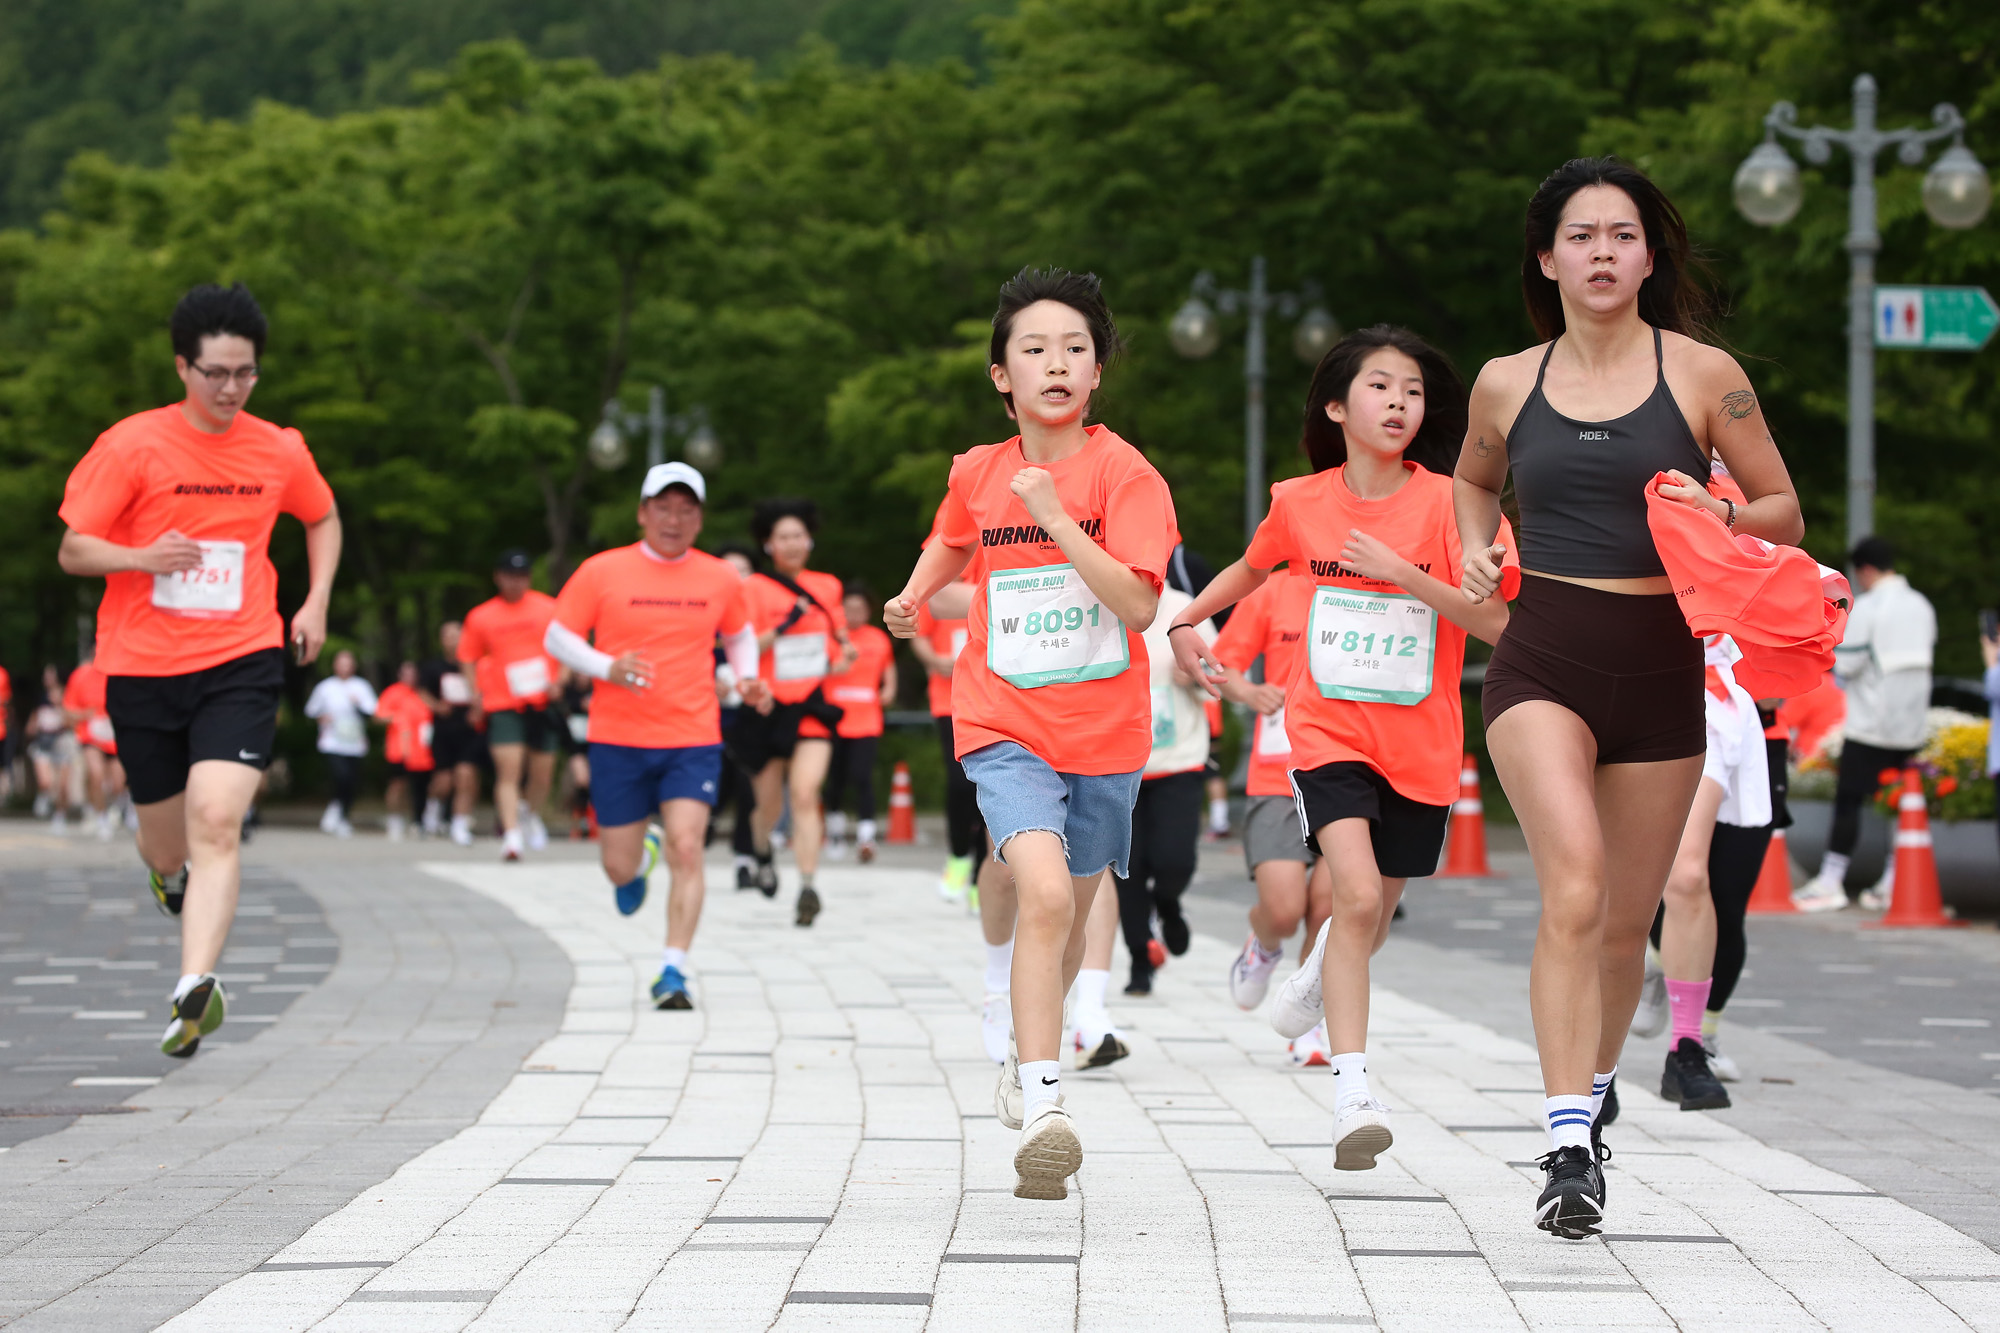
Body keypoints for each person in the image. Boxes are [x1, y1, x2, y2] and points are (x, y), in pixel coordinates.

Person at [1452, 158, 1801, 1237]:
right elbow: (1470, 476)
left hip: (1661, 671)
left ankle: (1590, 1101)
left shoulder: (1703, 374)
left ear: (1649, 255)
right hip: (1541, 657)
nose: (1600, 253)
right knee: (1571, 887)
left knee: (1618, 927)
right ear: (1546, 256)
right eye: (1578, 235)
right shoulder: (1505, 380)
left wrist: (1722, 513)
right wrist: (1474, 550)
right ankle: (1564, 1140)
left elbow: (1784, 508)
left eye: (1620, 234)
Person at [1173, 325, 1513, 1176]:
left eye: (1413, 391)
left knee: (1368, 916)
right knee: (1352, 891)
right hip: (1326, 733)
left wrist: (1408, 575)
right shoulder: (1300, 500)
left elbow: (1497, 623)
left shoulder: (1452, 502)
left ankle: (1311, 977)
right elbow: (1251, 569)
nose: (1400, 403)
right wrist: (1183, 619)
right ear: (1337, 404)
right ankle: (1355, 1090)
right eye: (1380, 387)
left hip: (1423, 742)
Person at [887, 266, 1177, 1201]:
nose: (1056, 362)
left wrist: (1056, 514)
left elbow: (1137, 604)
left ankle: (1025, 1054)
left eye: (1076, 349)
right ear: (1001, 376)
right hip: (1003, 722)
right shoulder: (977, 469)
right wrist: (918, 591)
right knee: (1043, 891)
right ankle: (1048, 1107)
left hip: (1105, 735)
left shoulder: (1125, 474)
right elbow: (952, 534)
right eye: (1034, 348)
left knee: (1065, 918)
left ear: (1097, 374)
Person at [56, 281, 340, 1060]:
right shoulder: (132, 445)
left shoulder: (277, 447)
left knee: (218, 817)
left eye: (244, 373)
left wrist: (313, 603)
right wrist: (141, 557)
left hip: (242, 656)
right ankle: (166, 877)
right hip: (143, 665)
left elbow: (321, 514)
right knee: (166, 845)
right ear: (183, 366)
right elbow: (74, 547)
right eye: (214, 373)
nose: (230, 389)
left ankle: (194, 986)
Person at [544, 462, 765, 1009]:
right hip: (617, 736)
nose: (674, 519)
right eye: (663, 508)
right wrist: (604, 666)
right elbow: (556, 636)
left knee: (687, 847)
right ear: (642, 513)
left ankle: (673, 971)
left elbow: (740, 636)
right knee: (618, 869)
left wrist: (747, 678)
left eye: (686, 510)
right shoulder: (602, 571)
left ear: (699, 519)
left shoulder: (719, 577)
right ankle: (637, 858)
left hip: (692, 734)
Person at [1210, 568, 1340, 1063]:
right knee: (1285, 911)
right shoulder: (1275, 588)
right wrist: (1250, 692)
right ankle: (1262, 945)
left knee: (1328, 906)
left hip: (1347, 767)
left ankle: (1307, 1025)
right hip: (1278, 772)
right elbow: (1224, 666)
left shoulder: (1375, 579)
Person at [1794, 536, 1935, 911]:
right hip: (1911, 726)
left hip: (1870, 724)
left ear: (1866, 570)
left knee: (1849, 803)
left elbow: (1847, 663)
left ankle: (1831, 880)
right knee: (1902, 805)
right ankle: (1893, 881)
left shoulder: (1871, 607)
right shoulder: (1922, 606)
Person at [739, 498, 853, 924]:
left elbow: (839, 640)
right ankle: (764, 850)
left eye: (798, 536)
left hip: (811, 704)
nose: (791, 543)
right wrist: (786, 622)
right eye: (782, 537)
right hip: (766, 705)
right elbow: (745, 645)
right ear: (768, 544)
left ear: (809, 540)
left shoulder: (827, 586)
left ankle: (807, 886)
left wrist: (844, 653)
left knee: (805, 794)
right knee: (767, 807)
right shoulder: (752, 588)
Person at [1114, 580, 1214, 995]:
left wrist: (1192, 677)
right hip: (1119, 764)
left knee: (1174, 861)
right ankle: (1140, 959)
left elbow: (1218, 673)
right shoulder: (1104, 602)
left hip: (1179, 761)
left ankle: (1169, 904)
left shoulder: (1184, 609)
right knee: (1128, 870)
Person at [460, 551, 561, 861]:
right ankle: (512, 836)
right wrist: (475, 693)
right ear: (498, 577)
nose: (516, 582)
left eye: (522, 576)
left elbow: (569, 645)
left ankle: (529, 814)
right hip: (504, 702)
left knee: (542, 774)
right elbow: (468, 657)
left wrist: (563, 680)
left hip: (543, 700)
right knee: (509, 771)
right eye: (509, 575)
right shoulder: (481, 616)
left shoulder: (549, 608)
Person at [912, 516, 985, 904]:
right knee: (961, 783)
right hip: (950, 696)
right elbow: (920, 631)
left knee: (991, 786)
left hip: (996, 692)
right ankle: (958, 856)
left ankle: (981, 874)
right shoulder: (941, 571)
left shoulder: (1004, 560)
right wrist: (933, 661)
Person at [823, 583, 897, 862]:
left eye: (859, 609)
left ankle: (866, 838)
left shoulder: (878, 638)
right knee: (835, 781)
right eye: (848, 609)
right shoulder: (831, 638)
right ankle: (835, 834)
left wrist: (889, 689)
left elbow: (888, 671)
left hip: (867, 720)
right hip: (834, 719)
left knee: (863, 777)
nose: (854, 614)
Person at [710, 543, 761, 885]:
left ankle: (745, 857)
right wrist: (707, 682)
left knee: (749, 788)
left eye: (743, 570)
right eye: (728, 571)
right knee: (716, 787)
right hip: (709, 720)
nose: (736, 578)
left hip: (752, 718)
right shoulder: (704, 613)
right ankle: (700, 830)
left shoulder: (766, 613)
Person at [420, 621, 483, 844]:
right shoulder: (433, 667)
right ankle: (433, 808)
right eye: (449, 636)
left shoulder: (476, 665)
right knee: (444, 780)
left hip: (469, 729)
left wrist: (478, 710)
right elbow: (422, 692)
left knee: (465, 775)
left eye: (458, 636)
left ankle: (460, 823)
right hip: (444, 729)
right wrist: (437, 706)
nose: (454, 640)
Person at [304, 649, 377, 837]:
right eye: (341, 663)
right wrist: (321, 717)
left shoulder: (361, 686)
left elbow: (372, 711)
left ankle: (341, 815)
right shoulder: (325, 687)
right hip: (332, 741)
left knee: (351, 781)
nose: (344, 667)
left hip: (354, 742)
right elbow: (311, 710)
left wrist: (358, 703)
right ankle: (337, 810)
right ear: (335, 665)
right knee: (340, 776)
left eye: (348, 663)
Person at [63, 655, 125, 841]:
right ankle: (101, 817)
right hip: (90, 735)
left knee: (117, 784)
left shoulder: (120, 672)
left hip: (115, 736)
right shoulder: (81, 675)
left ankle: (111, 809)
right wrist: (85, 714)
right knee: (96, 774)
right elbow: (68, 711)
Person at [376, 660, 434, 841]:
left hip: (422, 750)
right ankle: (395, 820)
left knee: (420, 788)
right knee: (397, 785)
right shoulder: (393, 693)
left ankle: (419, 821)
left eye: (413, 673)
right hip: (399, 748)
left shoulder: (423, 694)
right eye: (406, 673)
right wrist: (396, 718)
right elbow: (378, 716)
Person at [28, 665, 77, 831]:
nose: (46, 677)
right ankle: (44, 797)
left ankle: (60, 815)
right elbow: (35, 716)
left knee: (63, 786)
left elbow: (71, 721)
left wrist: (59, 704)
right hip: (43, 741)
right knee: (46, 782)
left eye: (50, 674)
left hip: (62, 741)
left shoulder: (69, 694)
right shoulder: (41, 695)